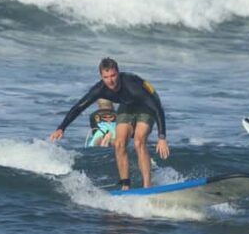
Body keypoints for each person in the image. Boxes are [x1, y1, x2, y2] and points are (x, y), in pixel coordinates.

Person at [49, 58, 170, 189]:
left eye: (113, 75)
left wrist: (162, 137)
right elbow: (79, 107)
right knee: (119, 143)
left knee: (138, 141)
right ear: (101, 77)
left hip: (148, 104)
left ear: (118, 73)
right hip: (127, 104)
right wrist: (61, 128)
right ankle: (125, 185)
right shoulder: (100, 89)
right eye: (106, 77)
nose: (110, 80)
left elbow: (157, 108)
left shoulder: (132, 85)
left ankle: (147, 186)